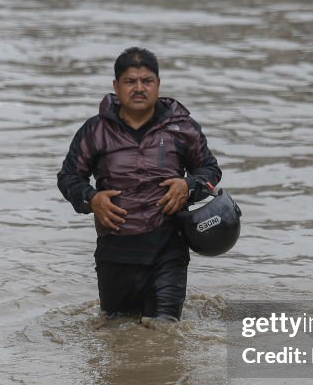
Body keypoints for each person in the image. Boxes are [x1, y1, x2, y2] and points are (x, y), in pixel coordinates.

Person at [57, 47, 222, 321]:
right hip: (114, 251)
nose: (139, 88)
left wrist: (188, 185)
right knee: (117, 337)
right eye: (130, 81)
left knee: (165, 332)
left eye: (147, 81)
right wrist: (92, 199)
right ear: (116, 87)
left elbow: (210, 170)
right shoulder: (95, 131)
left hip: (168, 249)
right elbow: (68, 177)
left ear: (158, 84)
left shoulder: (182, 128)